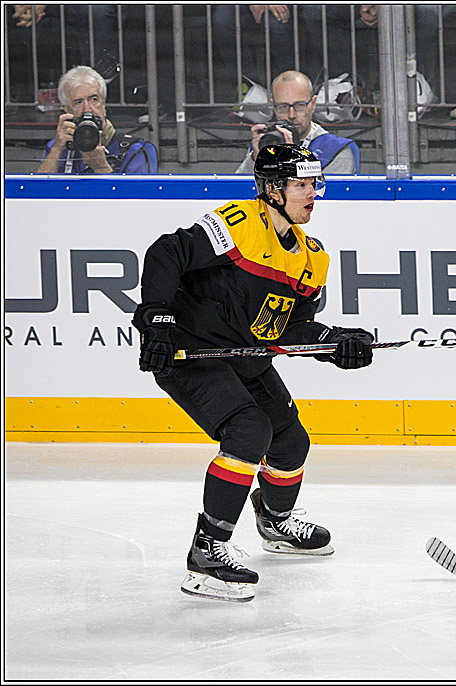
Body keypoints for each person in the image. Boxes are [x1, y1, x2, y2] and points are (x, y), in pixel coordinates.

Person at [132, 144, 375, 602]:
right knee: (248, 431)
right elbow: (167, 253)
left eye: (314, 184)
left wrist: (335, 343)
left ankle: (276, 523)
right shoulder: (238, 224)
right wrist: (157, 319)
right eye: (301, 185)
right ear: (271, 190)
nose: (312, 194)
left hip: (246, 356)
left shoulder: (311, 257)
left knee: (290, 442)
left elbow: (293, 326)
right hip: (192, 352)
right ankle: (207, 552)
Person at [36, 65, 157, 174]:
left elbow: (137, 198)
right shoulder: (58, 147)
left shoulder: (133, 150)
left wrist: (101, 167)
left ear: (103, 103)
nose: (87, 109)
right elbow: (35, 194)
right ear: (67, 110)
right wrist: (57, 149)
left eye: (93, 99)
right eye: (78, 102)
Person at [236, 70, 359, 175]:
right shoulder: (267, 142)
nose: (291, 115)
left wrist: (292, 162)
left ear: (313, 104)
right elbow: (239, 192)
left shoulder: (335, 149)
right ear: (273, 106)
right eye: (283, 106)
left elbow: (328, 199)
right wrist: (254, 159)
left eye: (299, 105)